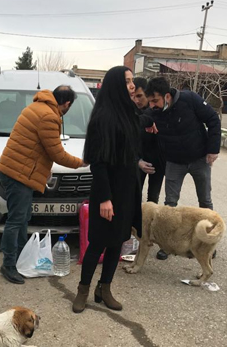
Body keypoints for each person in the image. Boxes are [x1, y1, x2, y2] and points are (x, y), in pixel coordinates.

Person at [72, 66, 146, 314]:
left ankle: (104, 289)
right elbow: (99, 162)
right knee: (98, 243)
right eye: (127, 81)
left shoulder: (129, 112)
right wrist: (105, 198)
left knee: (118, 242)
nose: (132, 85)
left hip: (127, 189)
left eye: (132, 80)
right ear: (116, 85)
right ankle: (83, 289)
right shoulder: (103, 117)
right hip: (108, 192)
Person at [0, 86, 85, 284]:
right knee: (16, 220)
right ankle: (8, 265)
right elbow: (57, 153)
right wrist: (81, 163)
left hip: (16, 171)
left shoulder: (36, 107)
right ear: (67, 104)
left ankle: (20, 258)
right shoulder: (49, 116)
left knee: (23, 218)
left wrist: (44, 168)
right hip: (18, 174)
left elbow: (37, 147)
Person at [144, 77, 221, 260]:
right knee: (170, 205)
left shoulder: (190, 99)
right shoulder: (152, 112)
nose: (152, 105)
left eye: (155, 101)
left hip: (199, 159)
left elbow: (213, 119)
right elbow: (140, 121)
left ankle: (208, 243)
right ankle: (167, 244)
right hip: (173, 162)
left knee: (205, 202)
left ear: (167, 96)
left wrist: (212, 149)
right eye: (150, 102)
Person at [132, 77, 165, 204]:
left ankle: (149, 223)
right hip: (138, 161)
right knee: (134, 196)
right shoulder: (131, 112)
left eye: (140, 96)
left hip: (157, 163)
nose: (136, 100)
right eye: (134, 96)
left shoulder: (159, 111)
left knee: (153, 199)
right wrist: (138, 161)